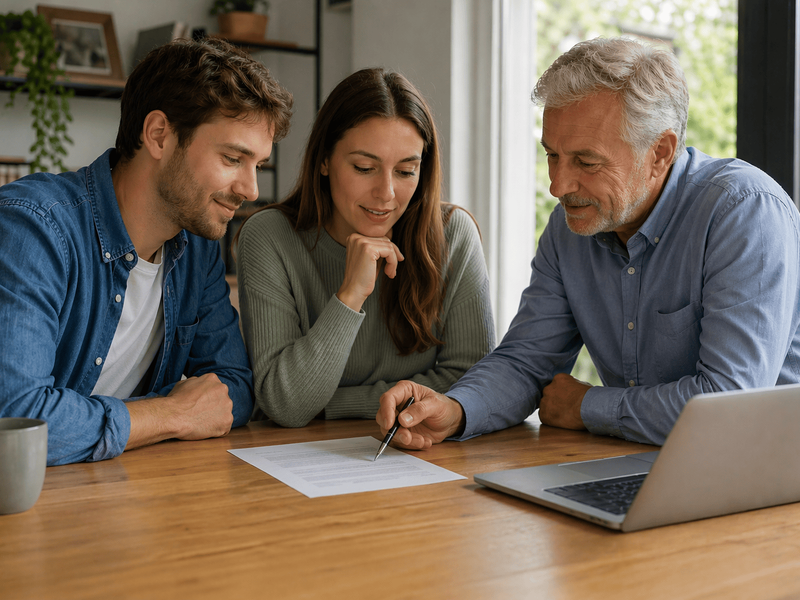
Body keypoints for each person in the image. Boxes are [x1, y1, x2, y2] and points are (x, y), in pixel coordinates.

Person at [377, 37, 800, 449]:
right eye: (552, 156)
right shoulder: (573, 226)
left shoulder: (745, 211)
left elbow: (728, 407)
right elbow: (526, 362)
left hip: (769, 482)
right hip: (645, 463)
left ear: (660, 153)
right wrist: (455, 410)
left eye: (586, 161)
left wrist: (587, 407)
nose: (558, 186)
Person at [0, 38, 293, 465]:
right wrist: (170, 414)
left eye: (258, 166)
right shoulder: (34, 229)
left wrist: (152, 419)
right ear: (159, 135)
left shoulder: (196, 248)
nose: (251, 190)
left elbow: (233, 388)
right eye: (233, 158)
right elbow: (17, 420)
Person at [236, 67, 495, 427]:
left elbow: (474, 384)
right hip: (295, 457)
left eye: (406, 172)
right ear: (324, 160)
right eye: (364, 167)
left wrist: (334, 403)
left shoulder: (453, 234)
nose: (386, 193)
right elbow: (286, 404)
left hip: (417, 451)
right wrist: (351, 295)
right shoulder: (269, 236)